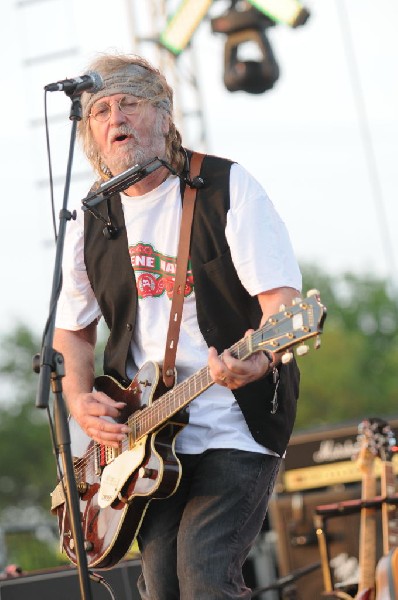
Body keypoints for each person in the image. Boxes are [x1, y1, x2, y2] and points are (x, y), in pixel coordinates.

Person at [54, 52, 302, 600]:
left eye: (130, 104)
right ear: (89, 132)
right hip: (145, 441)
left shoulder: (226, 186)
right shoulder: (95, 216)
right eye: (99, 110)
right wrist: (77, 396)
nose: (115, 118)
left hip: (234, 421)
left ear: (165, 116)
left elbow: (283, 304)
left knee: (205, 578)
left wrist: (257, 359)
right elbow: (72, 331)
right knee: (160, 588)